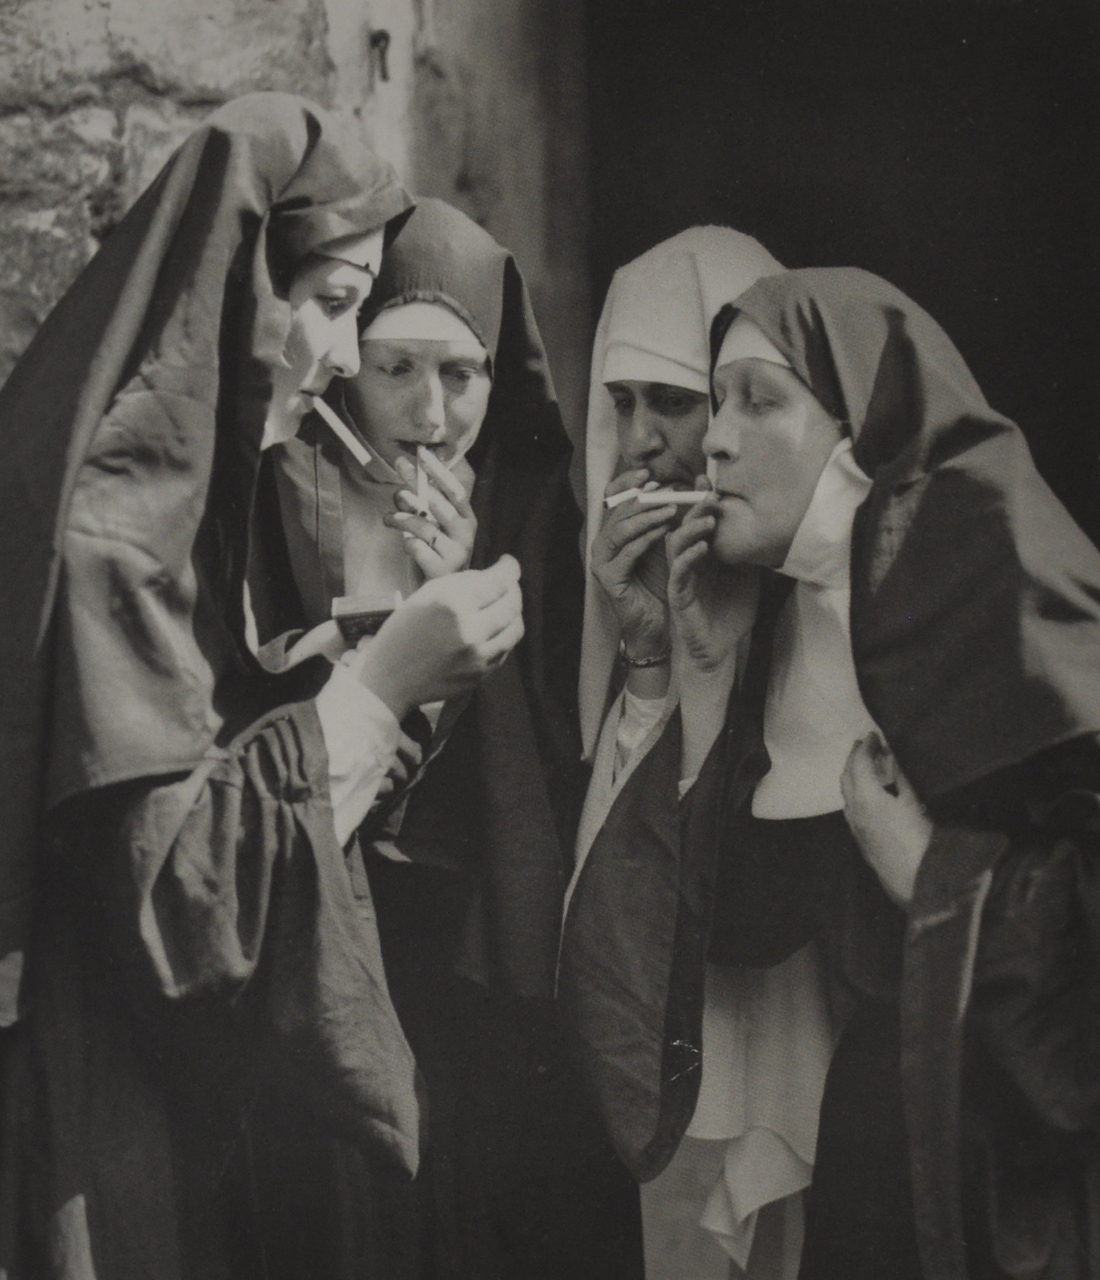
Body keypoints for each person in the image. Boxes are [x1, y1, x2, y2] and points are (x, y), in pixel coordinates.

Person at [0, 96, 528, 1279]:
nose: (341, 355)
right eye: (331, 303)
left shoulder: (178, 501)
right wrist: (379, 686)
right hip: (89, 1100)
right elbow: (183, 904)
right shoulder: (118, 524)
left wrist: (358, 666)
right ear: (238, 289)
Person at [620, 266, 1100, 1277]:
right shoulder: (792, 618)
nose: (714, 439)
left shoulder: (1001, 572)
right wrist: (699, 673)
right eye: (714, 402)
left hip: (1029, 1174)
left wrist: (932, 875)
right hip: (889, 1132)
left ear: (862, 431)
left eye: (759, 401)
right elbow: (744, 924)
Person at [250, 195, 638, 1280]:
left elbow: (563, 754)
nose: (430, 412)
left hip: (477, 946)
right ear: (347, 368)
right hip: (325, 923)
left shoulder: (535, 511)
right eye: (396, 370)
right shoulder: (282, 493)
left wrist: (467, 595)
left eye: (460, 374)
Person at [562, 227, 835, 1280]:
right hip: (682, 1018)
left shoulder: (832, 586)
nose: (639, 441)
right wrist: (646, 655)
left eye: (673, 403)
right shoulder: (604, 566)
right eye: (621, 403)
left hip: (809, 1006)